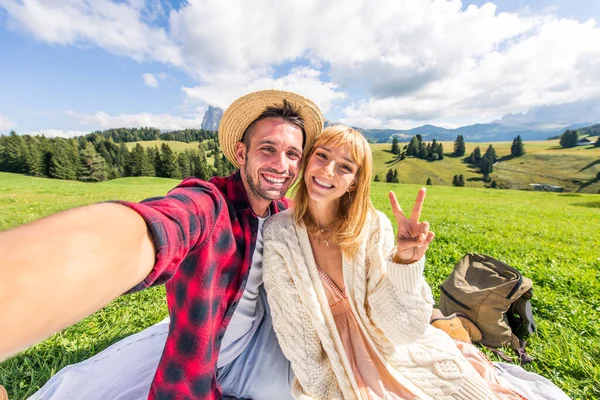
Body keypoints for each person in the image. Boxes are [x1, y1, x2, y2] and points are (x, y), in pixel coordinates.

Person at [0, 89, 324, 400]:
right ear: (242, 153)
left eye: (292, 154)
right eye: (268, 148)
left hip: (258, 348)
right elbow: (158, 228)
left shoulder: (283, 214)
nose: (281, 165)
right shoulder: (209, 205)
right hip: (204, 359)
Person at [262, 125, 562, 399]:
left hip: (390, 350)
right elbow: (295, 330)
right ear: (307, 160)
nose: (327, 170)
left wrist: (405, 263)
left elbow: (401, 330)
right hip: (333, 361)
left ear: (354, 182)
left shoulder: (373, 225)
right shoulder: (279, 233)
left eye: (344, 167)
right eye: (322, 156)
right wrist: (324, 388)